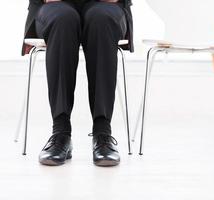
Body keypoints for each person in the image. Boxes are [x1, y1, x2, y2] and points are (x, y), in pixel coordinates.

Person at [22, 0, 134, 166]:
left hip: (105, 6)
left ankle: (103, 133)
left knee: (101, 19)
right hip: (54, 7)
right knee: (63, 19)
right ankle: (60, 132)